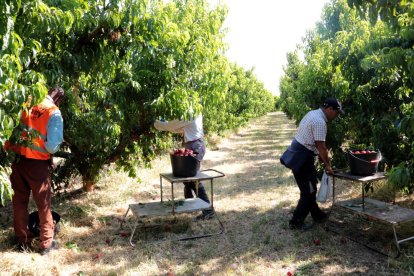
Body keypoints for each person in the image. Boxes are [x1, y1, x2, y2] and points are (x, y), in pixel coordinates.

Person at [6, 86, 65, 254]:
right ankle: (46, 243)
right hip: (37, 164)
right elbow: (52, 146)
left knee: (19, 201)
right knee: (43, 204)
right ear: (59, 99)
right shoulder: (54, 112)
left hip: (17, 161)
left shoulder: (27, 102)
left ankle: (22, 241)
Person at [280, 97, 344, 230]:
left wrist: (322, 159)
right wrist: (327, 165)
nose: (337, 115)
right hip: (302, 158)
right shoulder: (320, 122)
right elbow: (321, 146)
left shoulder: (312, 113)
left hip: (298, 153)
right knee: (308, 192)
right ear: (330, 109)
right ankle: (296, 222)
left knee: (310, 188)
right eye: (336, 112)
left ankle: (317, 215)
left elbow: (315, 143)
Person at [154, 114, 215, 220]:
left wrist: (156, 124)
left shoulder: (190, 112)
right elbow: (179, 127)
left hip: (195, 146)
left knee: (193, 180)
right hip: (193, 145)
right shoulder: (193, 110)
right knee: (187, 179)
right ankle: (191, 205)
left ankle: (208, 210)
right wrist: (165, 124)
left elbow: (172, 126)